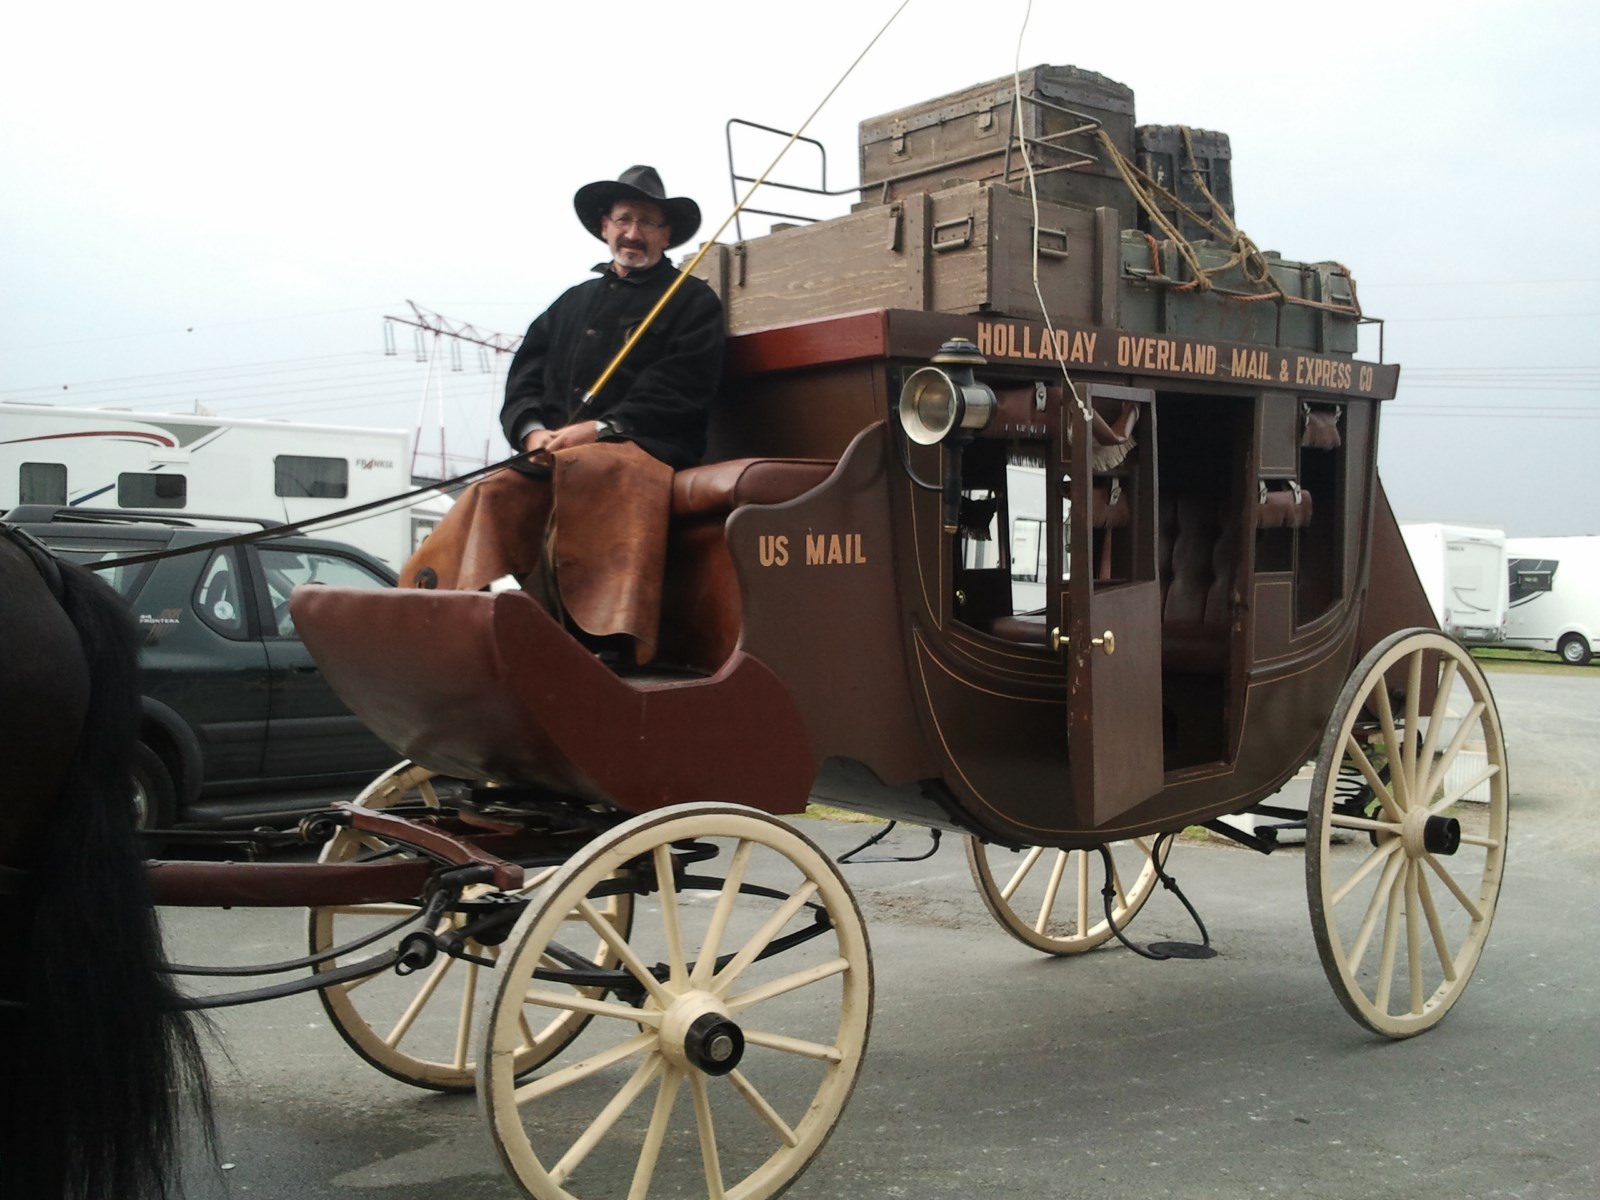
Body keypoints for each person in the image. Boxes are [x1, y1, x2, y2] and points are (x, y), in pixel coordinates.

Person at [401, 165, 725, 665]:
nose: (633, 233)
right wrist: (532, 433)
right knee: (493, 488)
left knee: (598, 471)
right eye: (623, 220)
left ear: (665, 234)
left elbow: (681, 388)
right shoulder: (569, 304)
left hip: (642, 450)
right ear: (604, 227)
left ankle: (602, 636)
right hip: (553, 452)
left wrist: (597, 430)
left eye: (646, 222)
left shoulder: (692, 303)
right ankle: (439, 613)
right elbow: (523, 380)